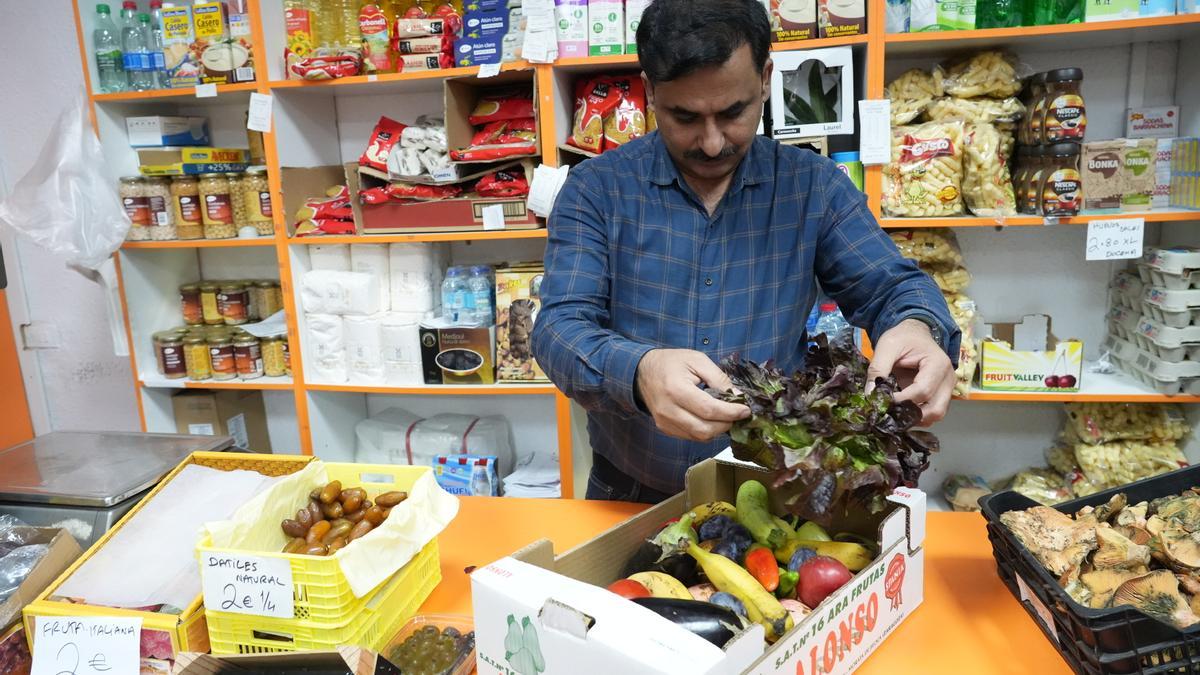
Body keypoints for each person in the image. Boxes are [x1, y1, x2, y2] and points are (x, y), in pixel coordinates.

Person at [531, 0, 961, 503]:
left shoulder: (814, 188)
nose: (712, 143)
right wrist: (639, 371)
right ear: (650, 91)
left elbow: (892, 286)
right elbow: (559, 328)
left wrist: (915, 326)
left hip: (773, 493)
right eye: (684, 117)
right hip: (628, 489)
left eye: (734, 112)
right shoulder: (594, 189)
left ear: (765, 79)